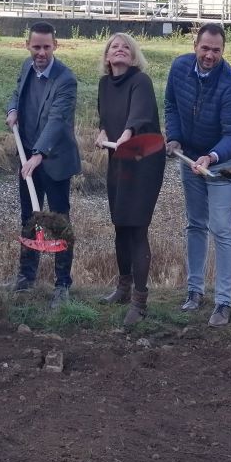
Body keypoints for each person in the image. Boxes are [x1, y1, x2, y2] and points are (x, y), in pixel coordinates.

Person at [163, 23, 231, 328]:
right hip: (189, 157)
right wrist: (173, 137)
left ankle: (224, 301)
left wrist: (212, 157)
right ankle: (194, 291)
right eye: (205, 48)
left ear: (223, 51)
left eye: (216, 50)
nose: (210, 55)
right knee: (195, 224)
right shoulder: (179, 68)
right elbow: (171, 104)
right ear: (194, 45)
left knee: (222, 227)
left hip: (223, 161)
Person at [6, 22, 81, 308]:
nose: (40, 52)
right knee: (29, 217)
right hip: (28, 158)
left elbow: (57, 121)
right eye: (36, 47)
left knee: (59, 222)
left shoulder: (66, 79)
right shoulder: (27, 67)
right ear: (28, 45)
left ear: (55, 46)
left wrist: (39, 154)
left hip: (54, 161)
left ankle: (62, 284)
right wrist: (12, 109)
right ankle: (26, 277)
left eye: (46, 47)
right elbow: (17, 93)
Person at [95, 33, 166, 325]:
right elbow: (104, 118)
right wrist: (102, 134)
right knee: (119, 225)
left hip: (143, 161)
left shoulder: (141, 81)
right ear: (108, 57)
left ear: (133, 56)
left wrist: (125, 134)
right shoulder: (103, 84)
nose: (120, 50)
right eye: (115, 47)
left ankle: (140, 301)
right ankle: (122, 288)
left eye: (126, 47)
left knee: (137, 229)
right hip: (118, 160)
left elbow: (138, 115)